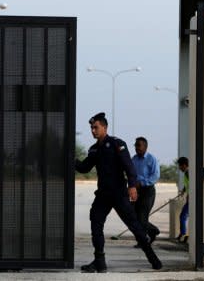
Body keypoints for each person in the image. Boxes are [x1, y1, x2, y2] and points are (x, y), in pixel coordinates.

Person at [75, 112, 162, 273]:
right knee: (95, 222)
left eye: (96, 127)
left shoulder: (116, 144)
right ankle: (99, 262)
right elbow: (84, 167)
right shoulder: (94, 149)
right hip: (103, 195)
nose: (93, 131)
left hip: (119, 194)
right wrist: (71, 158)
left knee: (135, 226)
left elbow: (128, 166)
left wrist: (132, 186)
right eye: (91, 128)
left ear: (105, 128)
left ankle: (153, 259)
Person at [132, 137, 161, 247]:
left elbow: (155, 176)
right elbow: (130, 174)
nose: (136, 148)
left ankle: (142, 241)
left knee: (142, 217)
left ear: (145, 146)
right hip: (136, 191)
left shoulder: (151, 159)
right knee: (134, 216)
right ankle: (153, 230)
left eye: (138, 145)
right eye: (135, 145)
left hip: (147, 191)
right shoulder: (133, 159)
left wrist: (143, 183)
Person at [176, 156, 189, 243]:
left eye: (180, 166)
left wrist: (190, 195)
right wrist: (183, 191)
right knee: (183, 216)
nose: (179, 168)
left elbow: (193, 184)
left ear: (184, 165)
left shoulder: (189, 173)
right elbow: (187, 184)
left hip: (192, 200)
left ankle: (183, 235)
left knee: (183, 216)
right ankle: (182, 234)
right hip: (190, 198)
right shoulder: (187, 173)